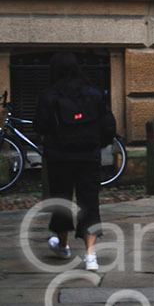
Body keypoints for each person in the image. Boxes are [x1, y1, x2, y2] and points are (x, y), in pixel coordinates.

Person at [37, 52, 115, 271]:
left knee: (61, 201)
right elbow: (108, 125)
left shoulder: (49, 95)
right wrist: (97, 145)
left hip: (59, 157)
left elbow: (40, 126)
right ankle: (91, 256)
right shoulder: (93, 93)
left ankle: (63, 245)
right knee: (89, 203)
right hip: (88, 156)